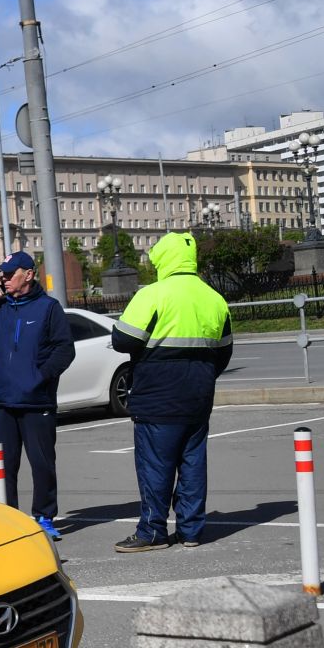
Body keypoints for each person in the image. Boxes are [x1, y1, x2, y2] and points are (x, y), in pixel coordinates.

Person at [110, 232, 232, 552]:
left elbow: (123, 339)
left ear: (164, 259)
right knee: (192, 464)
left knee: (155, 467)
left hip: (157, 397)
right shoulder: (214, 298)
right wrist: (201, 377)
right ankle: (191, 530)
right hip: (198, 397)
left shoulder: (153, 294)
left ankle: (152, 531)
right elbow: (224, 352)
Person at [0, 251, 74, 540]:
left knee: (42, 463)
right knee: (4, 464)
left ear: (28, 274)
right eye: (1, 273)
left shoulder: (48, 308)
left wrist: (39, 378)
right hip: (2, 400)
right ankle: (8, 519)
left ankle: (45, 517)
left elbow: (65, 350)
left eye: (9, 273)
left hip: (36, 401)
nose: (3, 278)